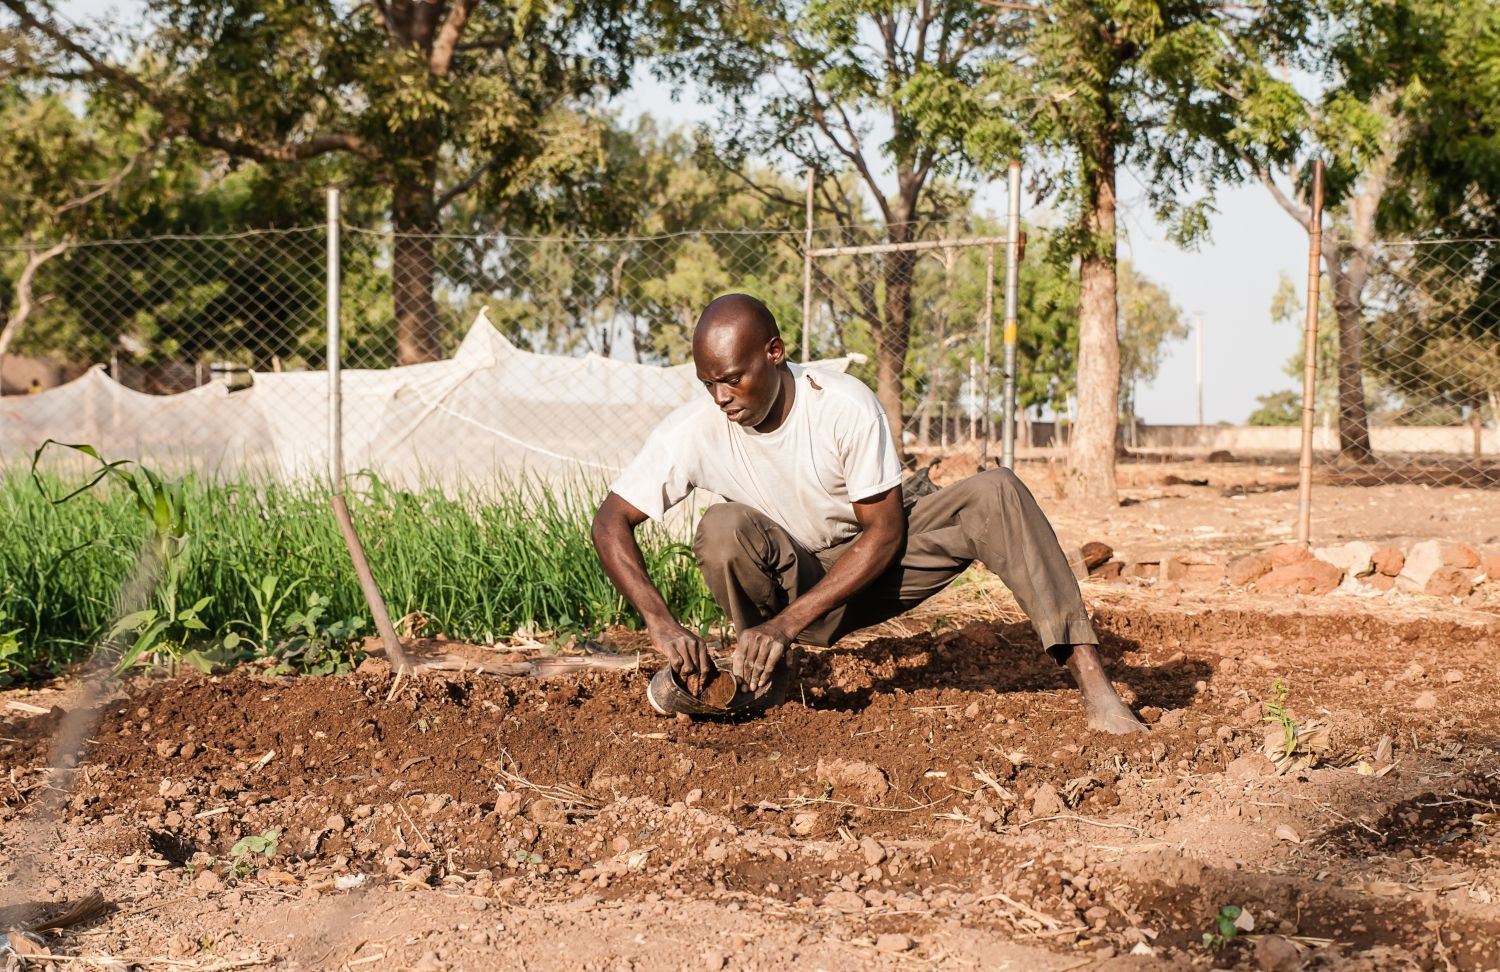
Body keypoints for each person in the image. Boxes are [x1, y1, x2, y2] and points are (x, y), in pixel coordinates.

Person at [590, 293, 1147, 733]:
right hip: (793, 576)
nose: (721, 396)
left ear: (774, 353)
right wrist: (660, 622)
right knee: (722, 527)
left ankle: (1094, 684)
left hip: (875, 568)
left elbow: (884, 535)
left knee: (997, 491)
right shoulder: (695, 431)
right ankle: (764, 673)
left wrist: (789, 623)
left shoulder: (841, 405)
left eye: (733, 377)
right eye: (708, 382)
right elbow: (609, 520)